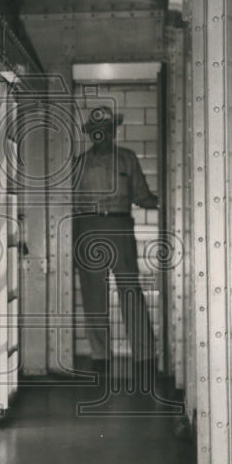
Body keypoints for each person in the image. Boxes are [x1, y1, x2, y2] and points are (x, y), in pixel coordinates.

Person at [70, 105, 158, 384]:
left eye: (106, 130)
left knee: (130, 290)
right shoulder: (79, 163)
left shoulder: (128, 159)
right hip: (87, 228)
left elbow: (143, 196)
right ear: (90, 133)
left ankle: (144, 356)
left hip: (120, 226)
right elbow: (66, 204)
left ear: (113, 131)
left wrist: (172, 200)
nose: (101, 135)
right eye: (96, 131)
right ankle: (100, 357)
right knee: (93, 296)